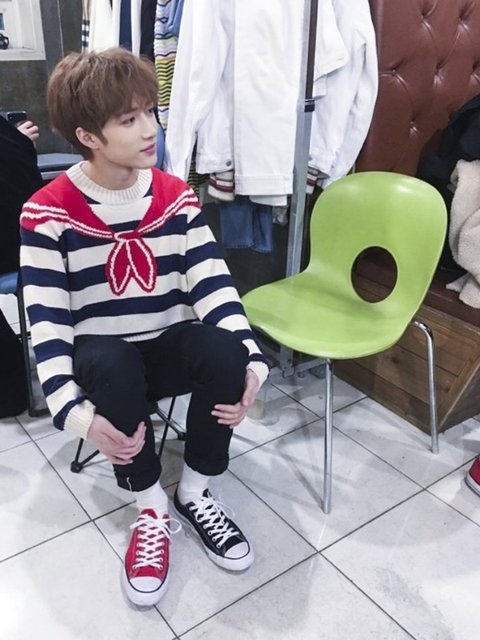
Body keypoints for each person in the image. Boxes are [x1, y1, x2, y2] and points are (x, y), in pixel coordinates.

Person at [19, 48, 269, 607]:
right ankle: (150, 506)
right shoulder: (47, 211)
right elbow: (48, 320)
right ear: (88, 136)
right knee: (109, 361)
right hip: (107, 362)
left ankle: (196, 492)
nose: (150, 129)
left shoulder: (175, 196)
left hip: (165, 346)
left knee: (227, 350)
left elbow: (213, 285)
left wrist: (253, 364)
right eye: (128, 119)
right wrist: (76, 414)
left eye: (149, 112)